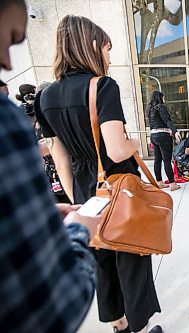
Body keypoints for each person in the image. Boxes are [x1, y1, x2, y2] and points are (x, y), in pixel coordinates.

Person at [37, 15, 162, 333]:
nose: (108, 56)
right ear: (92, 46)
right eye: (107, 48)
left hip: (83, 188)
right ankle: (140, 330)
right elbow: (118, 150)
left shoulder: (46, 96)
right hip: (119, 186)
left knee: (102, 260)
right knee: (132, 256)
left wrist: (76, 199)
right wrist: (136, 139)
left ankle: (118, 326)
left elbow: (60, 158)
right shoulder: (102, 87)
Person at [0, 1, 97, 332]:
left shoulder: (45, 98)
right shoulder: (6, 122)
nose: (7, 62)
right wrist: (77, 229)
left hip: (75, 181)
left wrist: (70, 193)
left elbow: (57, 151)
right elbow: (55, 305)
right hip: (99, 184)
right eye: (9, 38)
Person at [147, 90, 182, 191]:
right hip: (163, 136)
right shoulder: (160, 107)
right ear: (160, 98)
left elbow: (151, 124)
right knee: (167, 161)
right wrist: (175, 131)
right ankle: (173, 184)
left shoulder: (150, 109)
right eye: (163, 97)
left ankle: (159, 182)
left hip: (154, 135)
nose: (164, 99)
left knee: (157, 160)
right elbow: (167, 120)